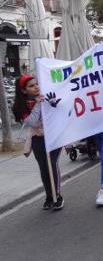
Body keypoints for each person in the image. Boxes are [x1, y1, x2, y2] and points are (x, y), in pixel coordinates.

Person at [12, 75, 63, 210]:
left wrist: (53, 103)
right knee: (43, 168)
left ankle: (57, 196)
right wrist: (38, 104)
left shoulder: (47, 95)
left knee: (51, 164)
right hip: (37, 138)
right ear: (24, 90)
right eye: (31, 86)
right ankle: (49, 196)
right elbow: (31, 121)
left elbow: (60, 109)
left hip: (54, 135)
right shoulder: (21, 106)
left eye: (37, 84)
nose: (36, 87)